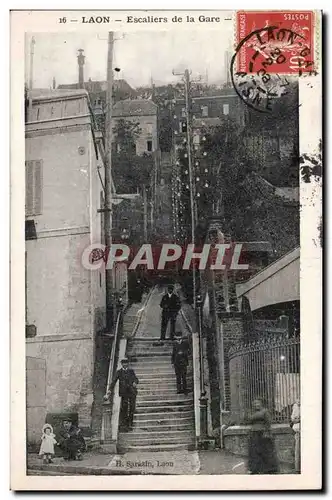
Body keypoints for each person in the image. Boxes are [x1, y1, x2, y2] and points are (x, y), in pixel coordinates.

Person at [247, 399, 278, 474]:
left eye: (258, 403)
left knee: (265, 451)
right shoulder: (252, 412)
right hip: (254, 433)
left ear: (261, 404)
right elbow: (249, 421)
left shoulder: (265, 411)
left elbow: (268, 423)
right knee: (254, 452)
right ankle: (255, 469)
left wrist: (266, 432)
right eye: (254, 403)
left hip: (263, 433)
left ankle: (269, 469)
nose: (256, 405)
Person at [106, 358, 138, 432]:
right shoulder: (119, 372)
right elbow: (114, 381)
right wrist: (110, 390)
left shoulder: (131, 371)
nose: (125, 364)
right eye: (123, 363)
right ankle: (125, 425)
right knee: (124, 408)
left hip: (132, 392)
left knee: (132, 408)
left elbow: (136, 379)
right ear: (121, 364)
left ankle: (130, 423)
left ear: (128, 364)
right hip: (124, 393)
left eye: (126, 363)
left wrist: (135, 382)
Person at [291, 399, 301, 473]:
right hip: (297, 431)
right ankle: (298, 468)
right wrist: (296, 419)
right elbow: (293, 418)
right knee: (297, 450)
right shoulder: (296, 406)